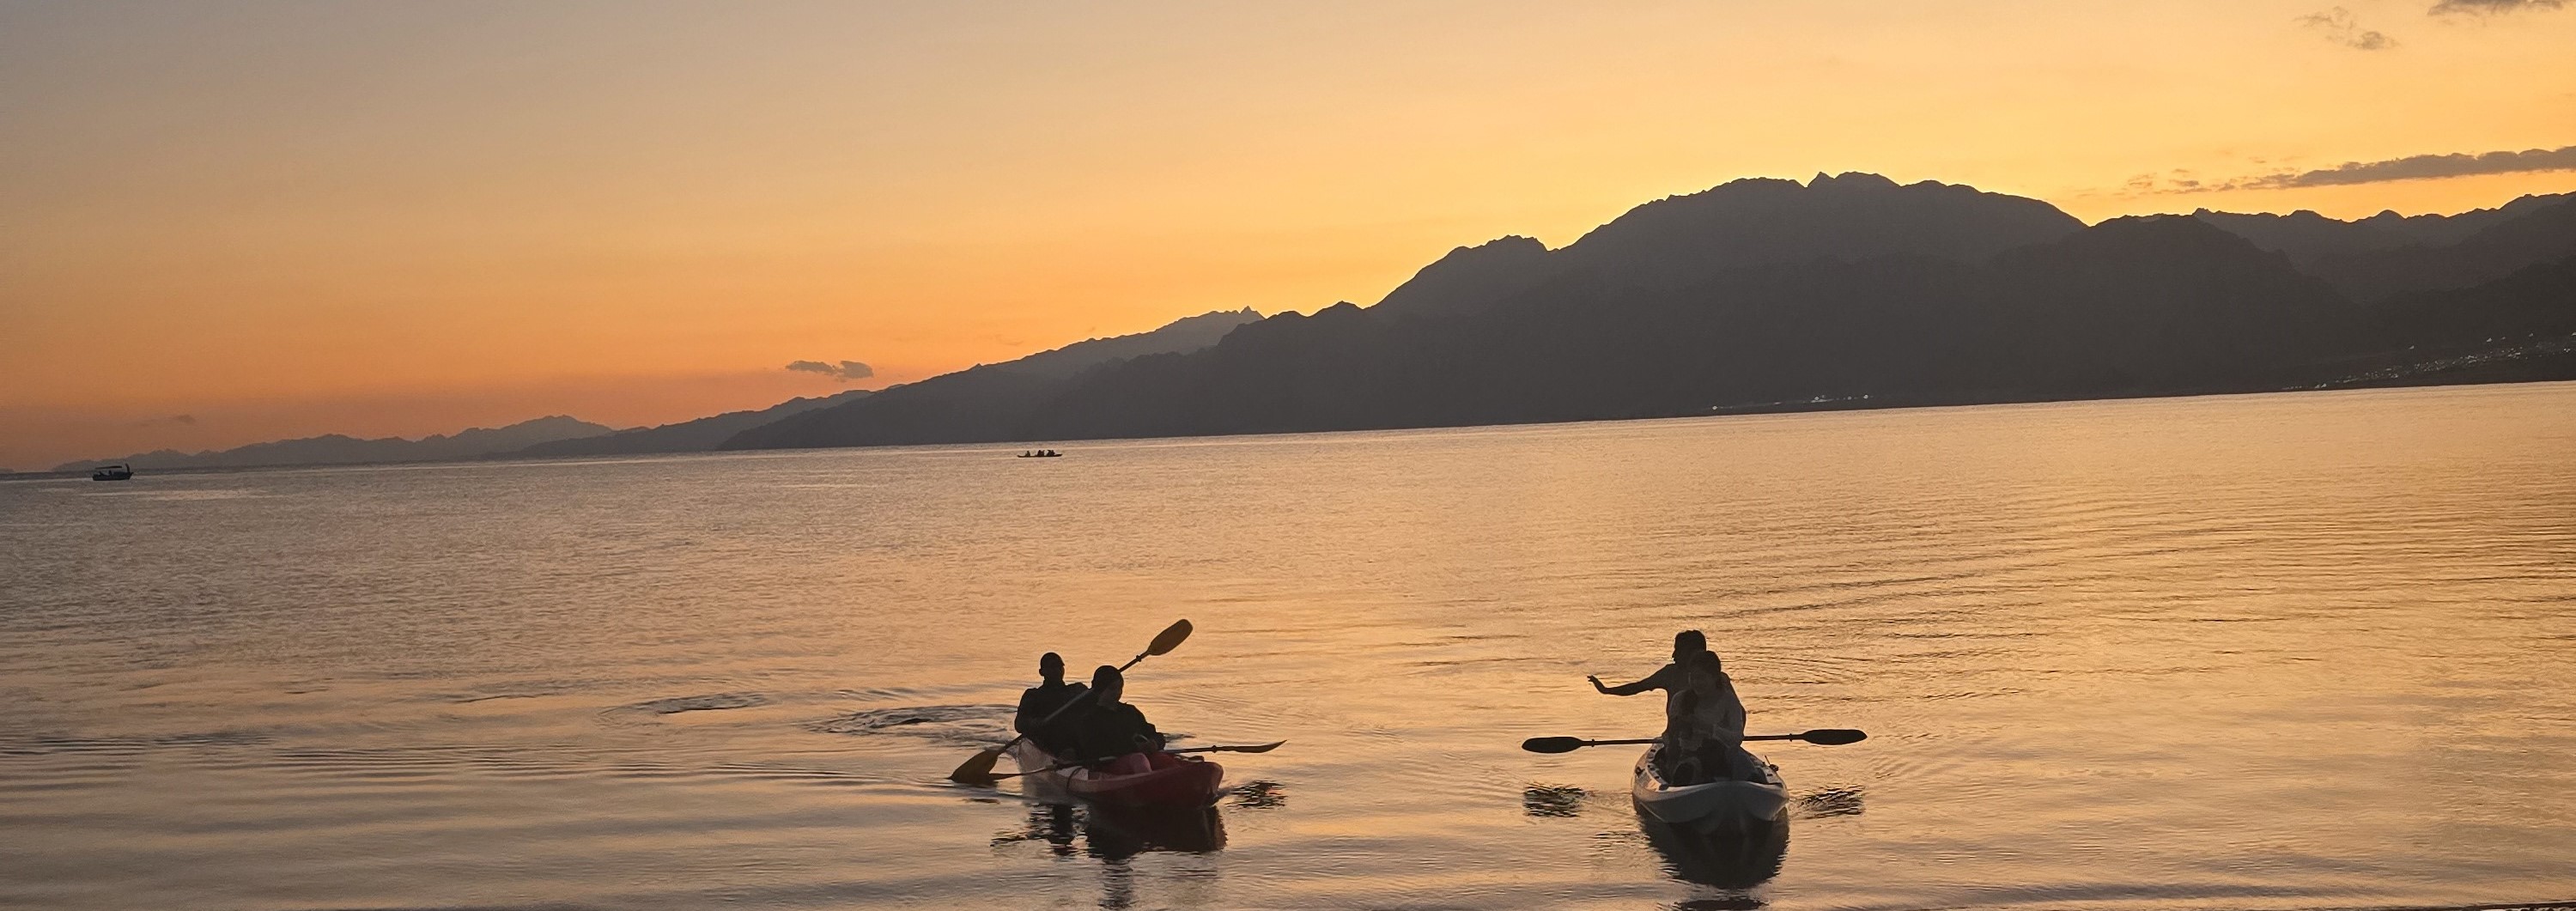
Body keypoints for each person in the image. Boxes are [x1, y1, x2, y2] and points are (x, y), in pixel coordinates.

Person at [1590, 629, 1749, 783]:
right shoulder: (1670, 674)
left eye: (1678, 650)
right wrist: (1606, 690)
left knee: (1730, 759)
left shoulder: (1720, 680)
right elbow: (1637, 687)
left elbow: (1739, 714)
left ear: (1696, 653)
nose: (1673, 655)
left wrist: (1731, 739)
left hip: (1716, 746)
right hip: (1679, 744)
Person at [1066, 665, 1176, 774]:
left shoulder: (1130, 712)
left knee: (1161, 759)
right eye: (1112, 689)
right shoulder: (1089, 719)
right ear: (1100, 690)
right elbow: (1095, 750)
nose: (1117, 693)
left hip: (1139, 759)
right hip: (1110, 766)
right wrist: (1134, 747)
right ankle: (1149, 784)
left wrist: (1155, 742)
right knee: (1138, 759)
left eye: (1120, 688)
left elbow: (1153, 733)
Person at [1013, 653, 1090, 755]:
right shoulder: (1033, 696)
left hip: (1074, 742)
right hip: (1049, 743)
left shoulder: (1077, 690)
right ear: (1041, 672)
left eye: (1060, 667)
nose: (1057, 670)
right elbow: (1019, 724)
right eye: (1052, 667)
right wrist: (1033, 722)